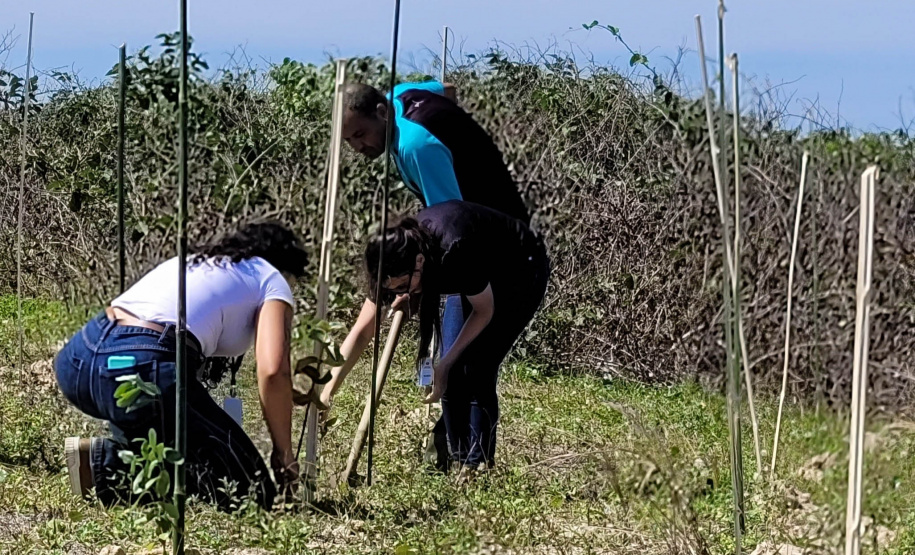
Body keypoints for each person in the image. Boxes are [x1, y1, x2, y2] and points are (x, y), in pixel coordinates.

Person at [338, 79, 533, 467]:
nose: (358, 147)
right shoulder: (399, 95)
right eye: (349, 141)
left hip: (494, 249)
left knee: (469, 364)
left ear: (381, 113)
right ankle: (452, 456)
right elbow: (446, 89)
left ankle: (474, 466)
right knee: (453, 363)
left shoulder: (417, 148)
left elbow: (451, 225)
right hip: (467, 239)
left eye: (360, 134)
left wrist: (418, 285)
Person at [54, 221, 307, 512]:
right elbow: (274, 371)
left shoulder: (200, 262)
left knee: (170, 446)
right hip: (141, 363)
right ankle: (104, 465)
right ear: (287, 270)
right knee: (251, 490)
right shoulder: (271, 277)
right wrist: (284, 454)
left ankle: (118, 459)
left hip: (79, 359)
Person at [321, 200, 549, 472]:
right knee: (450, 372)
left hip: (519, 269)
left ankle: (478, 468)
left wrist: (445, 364)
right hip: (475, 272)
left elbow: (484, 311)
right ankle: (459, 459)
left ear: (419, 263)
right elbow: (362, 331)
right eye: (392, 290)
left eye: (402, 287)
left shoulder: (454, 250)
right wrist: (327, 392)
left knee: (475, 366)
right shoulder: (388, 263)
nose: (398, 294)